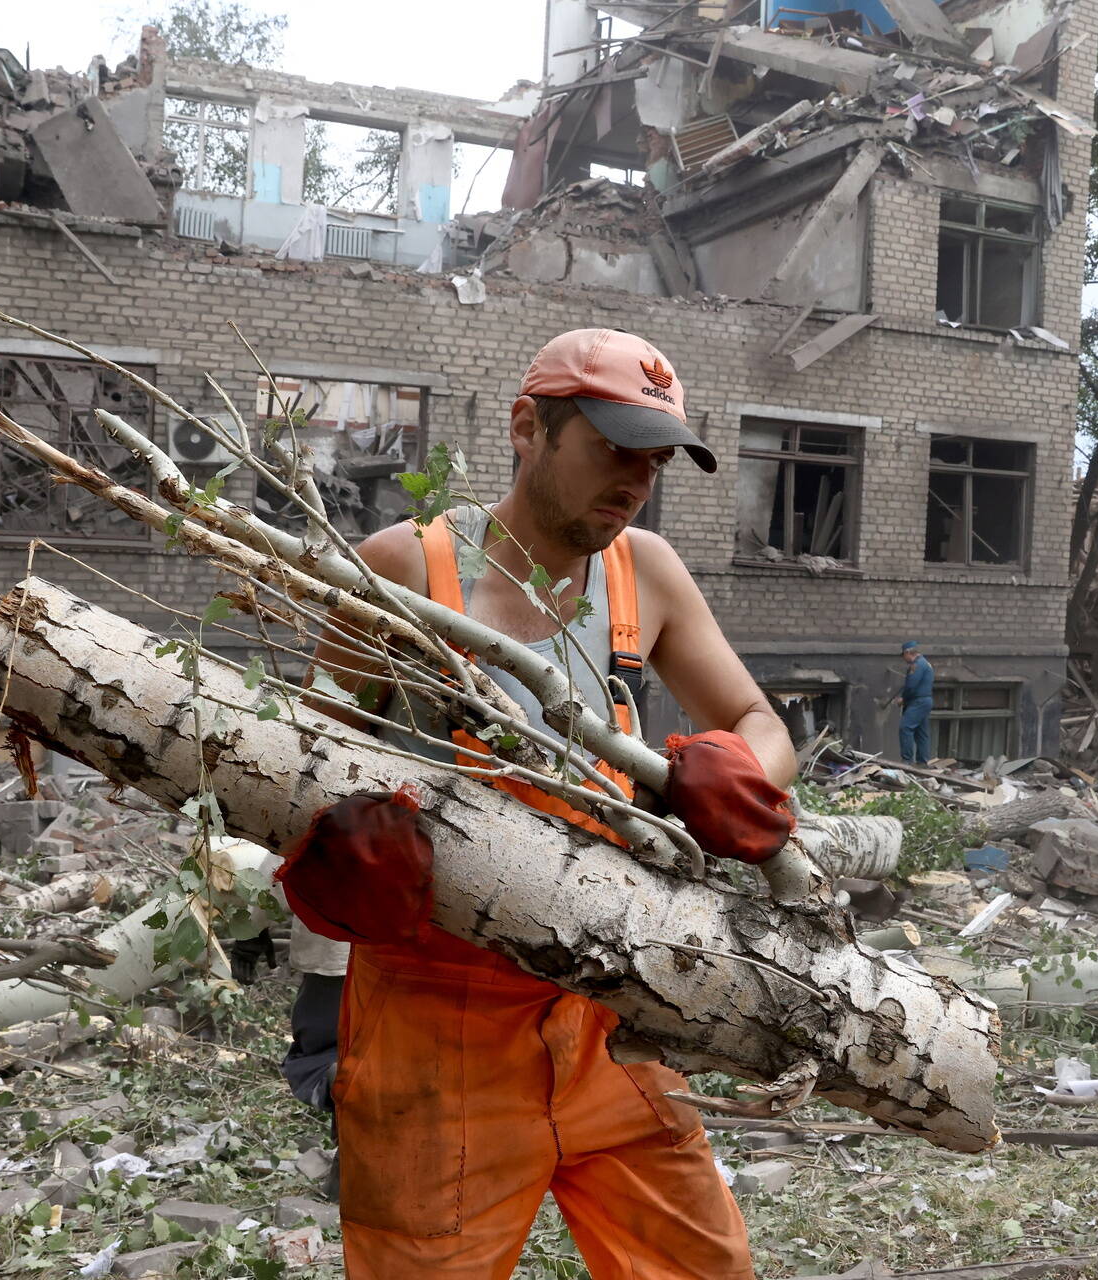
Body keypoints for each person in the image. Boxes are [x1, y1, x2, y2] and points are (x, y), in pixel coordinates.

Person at [278, 327, 797, 1280]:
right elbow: (301, 766)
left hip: (614, 1011)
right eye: (611, 447)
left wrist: (738, 767)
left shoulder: (648, 572)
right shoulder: (403, 571)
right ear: (529, 427)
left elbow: (761, 720)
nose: (635, 481)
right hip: (437, 1029)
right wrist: (336, 851)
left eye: (653, 460)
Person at [898, 639, 934, 766]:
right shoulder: (926, 663)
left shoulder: (916, 665)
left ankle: (907, 760)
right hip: (925, 701)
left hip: (918, 701)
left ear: (908, 653)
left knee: (905, 727)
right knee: (921, 732)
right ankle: (922, 762)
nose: (904, 659)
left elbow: (911, 686)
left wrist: (903, 698)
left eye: (903, 655)